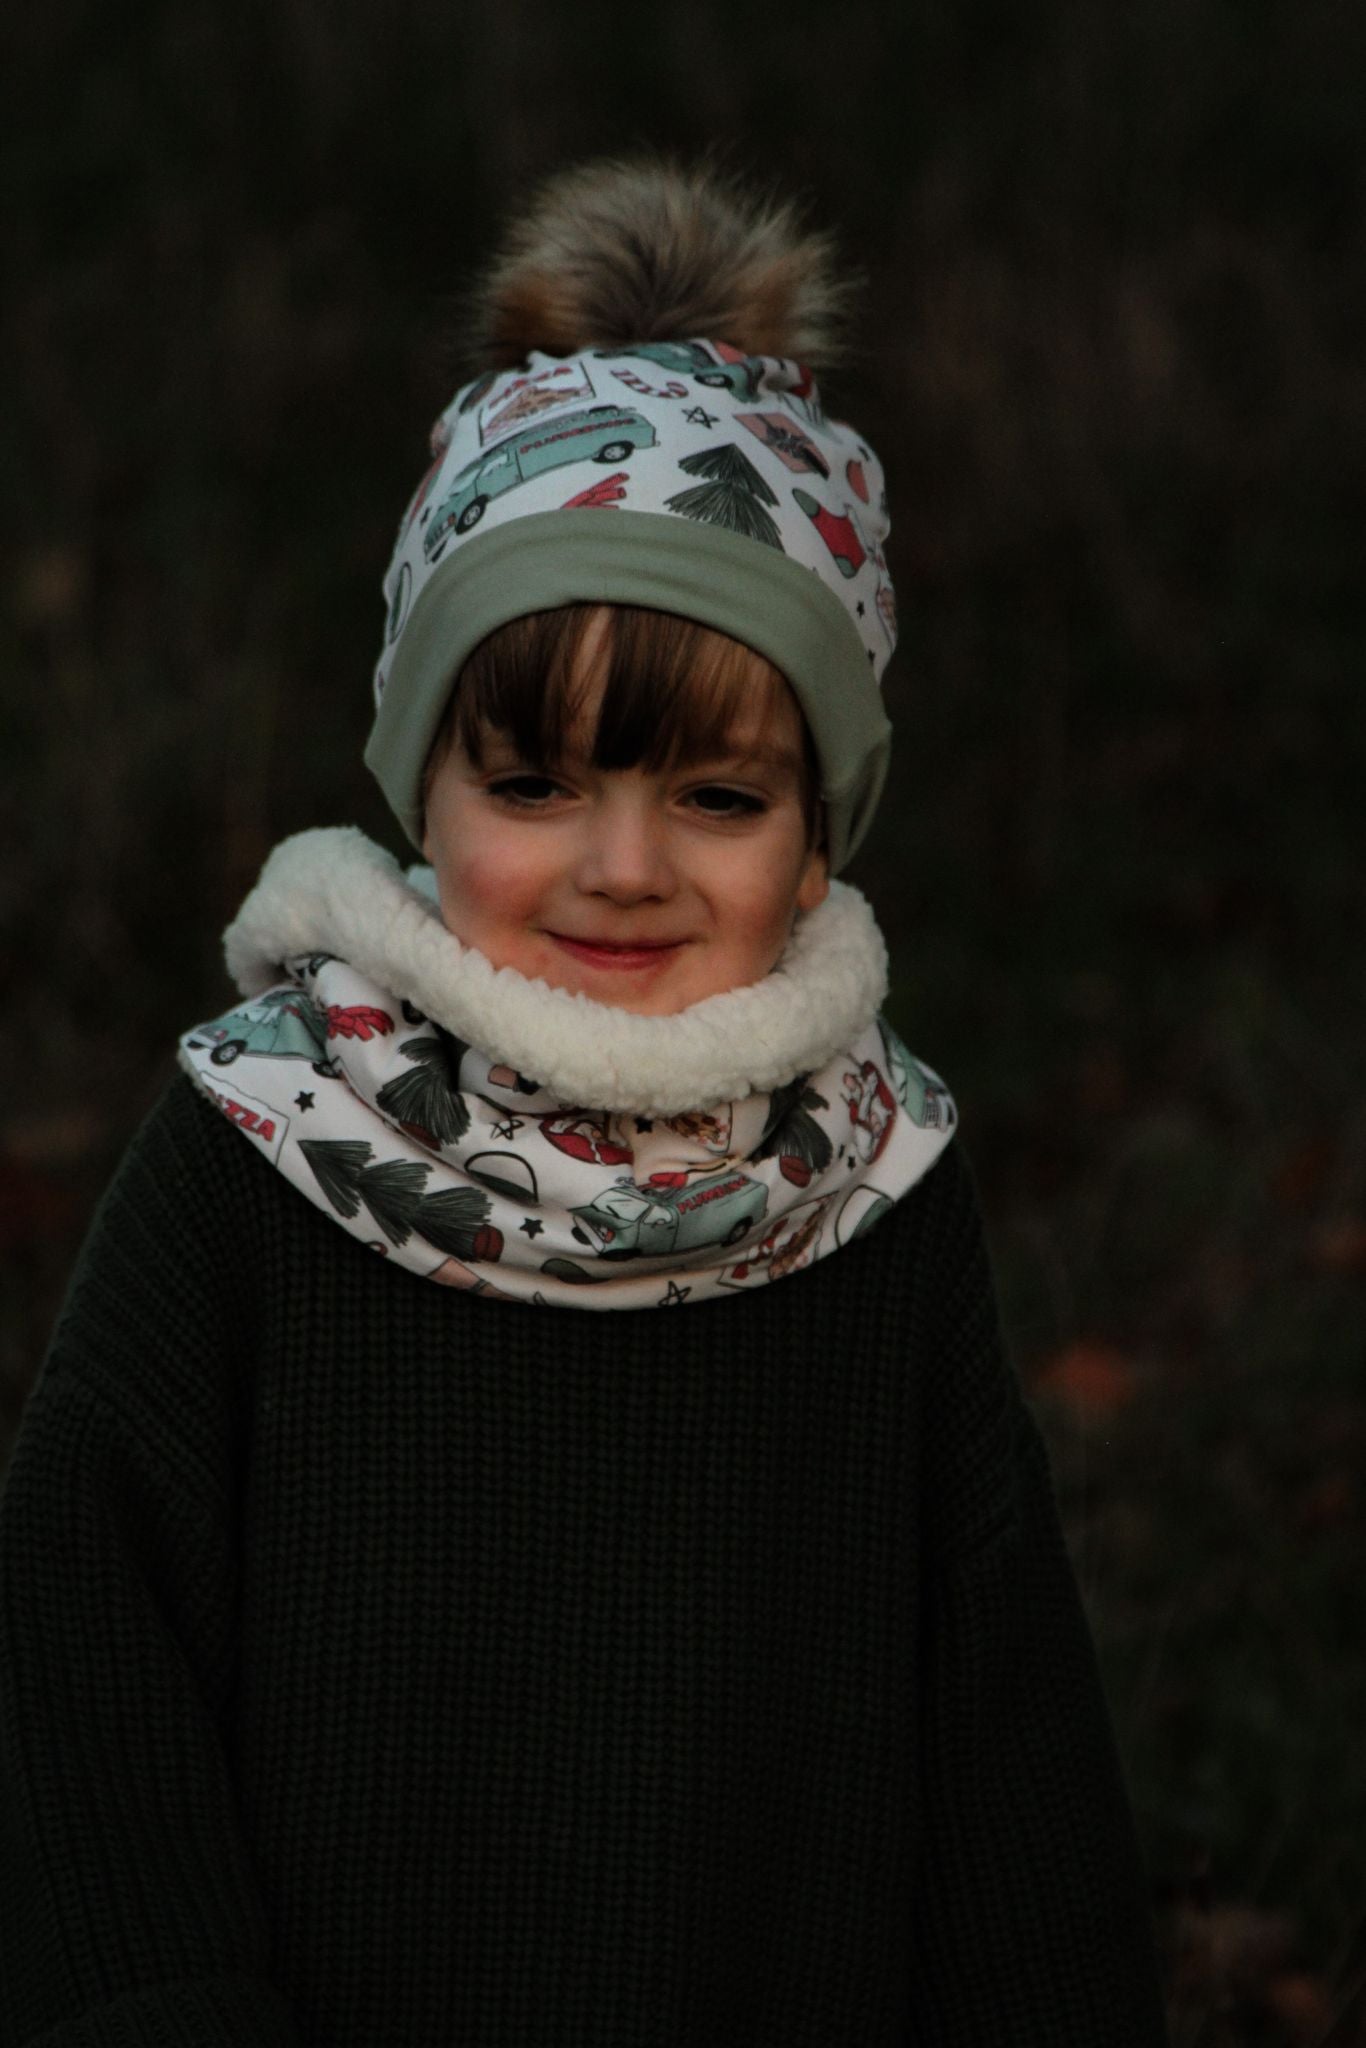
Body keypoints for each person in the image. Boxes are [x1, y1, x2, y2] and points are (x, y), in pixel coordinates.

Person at [0, 156, 1170, 2045]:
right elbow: (82, 1626)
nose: (622, 865)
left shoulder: (866, 1188)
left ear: (816, 841)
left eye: (716, 799)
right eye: (534, 783)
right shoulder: (266, 1144)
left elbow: (1003, 1737)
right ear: (420, 784)